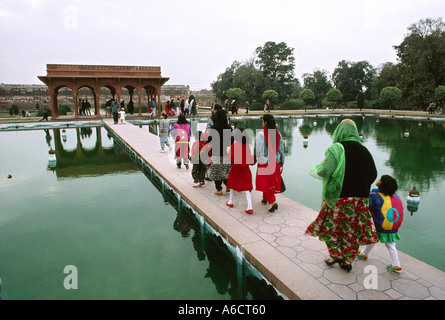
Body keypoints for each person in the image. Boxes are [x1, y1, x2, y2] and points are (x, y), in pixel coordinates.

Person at [305, 118, 378, 272]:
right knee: (351, 232)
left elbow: (325, 170)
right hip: (360, 202)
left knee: (330, 228)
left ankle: (336, 254)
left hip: (339, 199)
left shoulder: (336, 149)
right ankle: (346, 260)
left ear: (339, 131)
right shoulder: (365, 151)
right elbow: (373, 174)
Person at [358, 175, 404, 273]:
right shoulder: (396, 196)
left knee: (374, 238)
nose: (378, 179)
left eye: (380, 179)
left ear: (382, 184)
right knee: (390, 244)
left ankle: (396, 264)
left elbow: (366, 205)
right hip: (392, 225)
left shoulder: (374, 196)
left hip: (379, 223)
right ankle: (364, 253)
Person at [254, 114, 284, 213]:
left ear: (265, 122)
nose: (262, 123)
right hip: (275, 161)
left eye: (262, 121)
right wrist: (282, 162)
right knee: (270, 181)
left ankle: (273, 202)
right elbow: (281, 150)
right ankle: (265, 198)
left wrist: (254, 157)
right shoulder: (278, 134)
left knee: (266, 182)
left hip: (264, 162)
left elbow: (258, 149)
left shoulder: (261, 134)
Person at [226, 128, 255, 214]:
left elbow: (230, 158)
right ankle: (249, 206)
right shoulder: (246, 146)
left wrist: (228, 153)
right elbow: (250, 159)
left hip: (235, 169)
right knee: (246, 187)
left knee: (232, 184)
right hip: (245, 169)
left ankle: (230, 201)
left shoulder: (233, 146)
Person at [208, 109, 232, 195]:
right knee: (225, 170)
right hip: (225, 151)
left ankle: (219, 189)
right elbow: (231, 141)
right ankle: (228, 186)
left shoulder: (214, 127)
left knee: (216, 171)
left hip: (215, 151)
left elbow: (209, 140)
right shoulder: (228, 127)